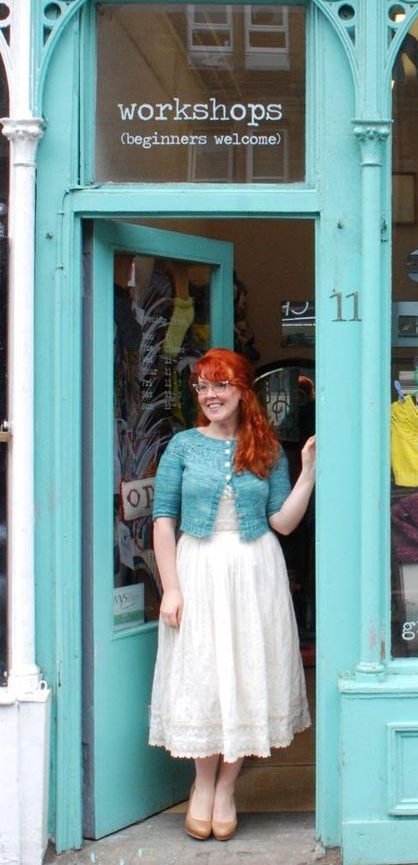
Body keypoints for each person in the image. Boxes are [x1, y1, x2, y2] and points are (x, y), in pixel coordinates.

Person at [148, 347, 316, 842]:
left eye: (221, 385)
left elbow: (283, 522)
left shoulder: (264, 448)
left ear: (244, 391)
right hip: (197, 566)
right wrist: (171, 589)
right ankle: (202, 785)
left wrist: (307, 473)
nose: (211, 395)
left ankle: (226, 788)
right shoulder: (181, 446)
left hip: (254, 569)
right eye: (203, 386)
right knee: (203, 677)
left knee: (246, 674)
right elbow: (163, 520)